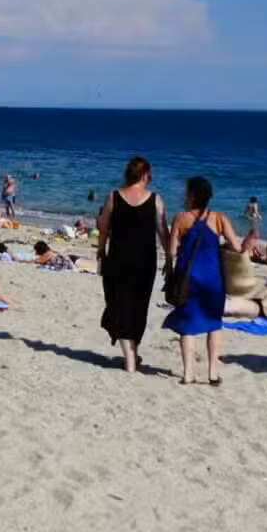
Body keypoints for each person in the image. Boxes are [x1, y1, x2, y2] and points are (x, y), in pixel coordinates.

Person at [163, 176, 243, 385]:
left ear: (191, 196)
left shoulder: (180, 218)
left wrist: (174, 261)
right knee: (214, 324)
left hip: (188, 279)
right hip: (213, 278)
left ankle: (188, 374)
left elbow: (171, 252)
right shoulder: (219, 218)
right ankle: (213, 373)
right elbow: (237, 247)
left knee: (187, 325)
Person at [96, 155, 166, 374]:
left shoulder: (113, 197)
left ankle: (131, 357)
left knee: (118, 305)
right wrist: (171, 258)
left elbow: (103, 228)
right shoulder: (156, 200)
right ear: (146, 175)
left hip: (118, 259)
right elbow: (163, 233)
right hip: (145, 262)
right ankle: (131, 358)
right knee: (138, 307)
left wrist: (101, 250)